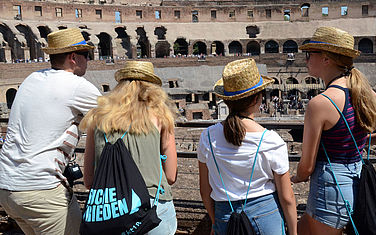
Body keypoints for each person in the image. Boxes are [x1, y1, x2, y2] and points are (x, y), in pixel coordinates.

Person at [291, 26, 376, 235]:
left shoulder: (320, 103)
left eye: (310, 54)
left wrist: (294, 178)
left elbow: (307, 166)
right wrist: (363, 142)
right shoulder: (365, 92)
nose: (306, 59)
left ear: (326, 59)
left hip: (331, 188)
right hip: (357, 181)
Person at [0, 28, 101, 234]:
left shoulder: (32, 78)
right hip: (39, 190)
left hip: (7, 187)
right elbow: (119, 119)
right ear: (73, 57)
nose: (88, 61)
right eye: (86, 55)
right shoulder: (76, 85)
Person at [198, 58, 297, 235]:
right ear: (257, 100)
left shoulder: (207, 136)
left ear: (227, 101)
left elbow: (205, 191)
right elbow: (287, 198)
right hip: (266, 215)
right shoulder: (271, 141)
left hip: (224, 214)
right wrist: (294, 232)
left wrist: (215, 221)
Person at [79, 61, 178, 235]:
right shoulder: (160, 116)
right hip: (153, 208)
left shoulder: (97, 118)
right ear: (152, 88)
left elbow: (88, 181)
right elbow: (170, 176)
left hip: (112, 213)